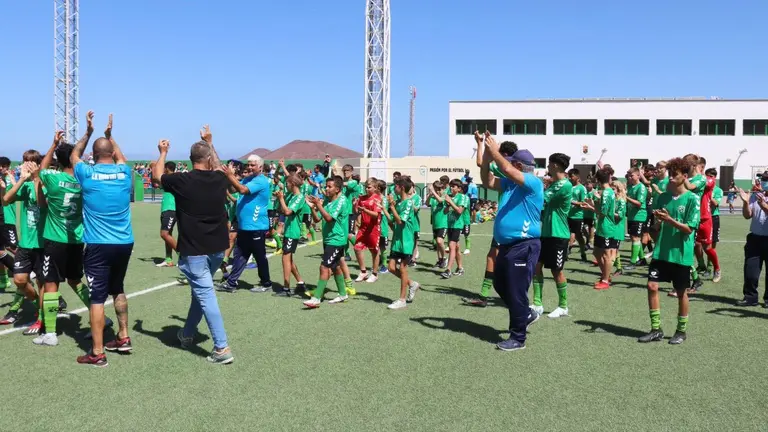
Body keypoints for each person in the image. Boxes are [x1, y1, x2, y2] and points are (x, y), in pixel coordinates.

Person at [152, 126, 234, 364]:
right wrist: (211, 141)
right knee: (199, 295)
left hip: (195, 250)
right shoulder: (219, 177)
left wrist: (163, 152)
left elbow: (157, 176)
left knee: (206, 295)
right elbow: (219, 166)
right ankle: (187, 333)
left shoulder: (181, 180)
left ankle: (222, 348)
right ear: (208, 159)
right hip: (217, 249)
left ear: (190, 160)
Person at [72, 113, 134, 367]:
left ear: (94, 155)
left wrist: (88, 132)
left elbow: (74, 154)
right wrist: (110, 136)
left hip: (99, 244)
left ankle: (97, 352)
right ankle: (123, 337)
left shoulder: (86, 173)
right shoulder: (124, 172)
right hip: (124, 242)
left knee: (97, 298)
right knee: (117, 288)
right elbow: (120, 156)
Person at [34, 123, 101, 347]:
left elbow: (40, 170)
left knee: (51, 283)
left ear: (58, 161)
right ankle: (101, 318)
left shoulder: (52, 179)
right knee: (75, 280)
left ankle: (51, 333)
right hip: (76, 240)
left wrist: (52, 145)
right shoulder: (84, 182)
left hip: (54, 240)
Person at [480, 135, 543, 351]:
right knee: (500, 284)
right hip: (508, 245)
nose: (507, 163)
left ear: (518, 165)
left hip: (524, 245)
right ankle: (525, 314)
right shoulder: (511, 185)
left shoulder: (533, 182)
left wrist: (495, 151)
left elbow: (506, 169)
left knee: (516, 291)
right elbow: (487, 181)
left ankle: (518, 338)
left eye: (511, 161)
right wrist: (488, 158)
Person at [639, 157, 699, 345]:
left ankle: (681, 331)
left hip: (680, 253)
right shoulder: (663, 197)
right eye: (670, 174)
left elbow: (689, 228)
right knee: (651, 286)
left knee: (681, 292)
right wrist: (656, 223)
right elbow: (656, 228)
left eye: (675, 175)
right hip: (661, 251)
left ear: (685, 176)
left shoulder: (692, 199)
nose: (671, 178)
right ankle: (656, 329)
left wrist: (669, 220)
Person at [218, 155, 273, 293]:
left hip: (256, 227)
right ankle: (231, 283)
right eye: (248, 164)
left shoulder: (261, 181)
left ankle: (266, 283)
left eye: (253, 165)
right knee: (240, 255)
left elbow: (242, 190)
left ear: (260, 167)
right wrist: (228, 177)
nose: (249, 167)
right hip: (245, 226)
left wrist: (230, 175)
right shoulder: (249, 179)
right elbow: (234, 189)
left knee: (260, 256)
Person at [1, 154, 44, 327]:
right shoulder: (23, 185)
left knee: (46, 282)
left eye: (30, 162)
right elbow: (5, 200)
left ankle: (42, 317)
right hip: (26, 243)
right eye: (24, 161)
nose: (25, 165)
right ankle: (36, 303)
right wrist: (20, 180)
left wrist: (35, 178)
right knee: (20, 279)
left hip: (43, 243)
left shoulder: (45, 183)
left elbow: (43, 202)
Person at [531, 153, 572, 319]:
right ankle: (537, 303)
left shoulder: (564, 184)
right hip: (546, 233)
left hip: (558, 234)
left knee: (556, 271)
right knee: (537, 266)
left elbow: (542, 199)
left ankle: (563, 306)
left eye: (549, 164)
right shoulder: (555, 183)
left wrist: (536, 184)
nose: (547, 167)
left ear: (555, 165)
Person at [303, 177, 350, 307]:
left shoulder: (341, 201)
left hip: (336, 239)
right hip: (329, 238)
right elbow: (318, 219)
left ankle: (317, 297)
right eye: (326, 186)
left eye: (329, 186)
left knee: (324, 266)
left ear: (337, 189)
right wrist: (312, 207)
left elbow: (329, 218)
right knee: (335, 267)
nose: (326, 189)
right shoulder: (329, 202)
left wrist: (318, 204)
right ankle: (342, 294)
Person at [386, 177, 420, 309]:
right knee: (391, 268)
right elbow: (394, 223)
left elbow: (400, 221)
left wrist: (392, 207)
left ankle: (402, 299)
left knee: (403, 268)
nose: (394, 188)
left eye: (396, 186)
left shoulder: (408, 203)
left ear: (401, 187)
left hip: (406, 241)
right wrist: (385, 209)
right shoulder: (399, 203)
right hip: (397, 240)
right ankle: (412, 283)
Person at [736, 172, 768, 307]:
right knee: (751, 271)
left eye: (766, 179)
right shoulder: (756, 196)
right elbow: (747, 215)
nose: (763, 181)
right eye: (763, 179)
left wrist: (765, 207)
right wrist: (745, 203)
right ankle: (750, 297)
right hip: (755, 239)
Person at [583, 169, 619, 290]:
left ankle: (605, 279)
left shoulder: (607, 192)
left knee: (606, 254)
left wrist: (591, 205)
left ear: (597, 180)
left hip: (606, 227)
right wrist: (595, 202)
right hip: (601, 227)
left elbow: (602, 213)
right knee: (597, 252)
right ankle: (605, 276)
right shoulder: (605, 192)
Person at [275, 174, 307, 296]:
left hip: (293, 232)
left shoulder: (299, 197)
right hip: (288, 231)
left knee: (285, 258)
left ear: (292, 184)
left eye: (287, 183)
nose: (286, 185)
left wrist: (282, 199)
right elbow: (281, 210)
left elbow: (288, 211)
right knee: (289, 260)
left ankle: (286, 288)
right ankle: (300, 283)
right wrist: (280, 198)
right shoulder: (291, 196)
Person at [353, 178, 383, 283]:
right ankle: (363, 272)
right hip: (363, 227)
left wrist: (365, 210)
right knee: (357, 248)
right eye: (366, 187)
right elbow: (357, 212)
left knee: (374, 251)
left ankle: (374, 273)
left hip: (373, 228)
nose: (367, 189)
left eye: (369, 187)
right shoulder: (362, 198)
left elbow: (376, 215)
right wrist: (354, 206)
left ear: (375, 188)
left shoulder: (377, 198)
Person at [441, 179, 468, 279]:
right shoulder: (449, 197)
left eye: (454, 186)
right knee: (456, 247)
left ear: (459, 189)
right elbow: (444, 212)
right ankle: (460, 267)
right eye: (451, 186)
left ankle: (448, 270)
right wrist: (447, 205)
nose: (451, 188)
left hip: (458, 225)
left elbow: (460, 211)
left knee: (452, 245)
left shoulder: (463, 197)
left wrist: (450, 202)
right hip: (449, 225)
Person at [625, 167, 648, 270]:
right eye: (628, 176)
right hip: (631, 216)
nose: (630, 177)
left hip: (639, 216)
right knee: (633, 238)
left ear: (638, 176)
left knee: (635, 238)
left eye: (632, 175)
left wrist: (626, 198)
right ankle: (642, 259)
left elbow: (639, 203)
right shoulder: (630, 187)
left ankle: (632, 262)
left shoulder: (641, 187)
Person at [155, 161, 177, 267]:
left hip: (171, 210)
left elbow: (156, 179)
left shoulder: (172, 180)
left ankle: (183, 256)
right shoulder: (167, 180)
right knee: (168, 234)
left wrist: (153, 167)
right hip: (166, 209)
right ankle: (168, 259)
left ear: (167, 168)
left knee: (164, 234)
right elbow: (155, 183)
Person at [0, 157, 17, 290]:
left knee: (13, 247)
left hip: (7, 219)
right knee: (1, 251)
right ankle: (4, 279)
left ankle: (29, 269)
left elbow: (13, 194)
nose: (1, 168)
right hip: (1, 219)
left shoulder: (10, 179)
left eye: (4, 166)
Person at [567, 168, 588, 262]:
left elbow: (584, 203)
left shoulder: (581, 188)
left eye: (571, 176)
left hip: (577, 216)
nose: (570, 178)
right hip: (567, 215)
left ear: (577, 177)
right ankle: (566, 252)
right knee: (569, 234)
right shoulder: (568, 186)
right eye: (569, 176)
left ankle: (583, 253)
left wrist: (573, 202)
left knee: (577, 236)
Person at [427, 181, 448, 269]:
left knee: (440, 241)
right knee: (437, 244)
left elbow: (440, 200)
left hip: (443, 224)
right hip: (435, 224)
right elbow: (427, 203)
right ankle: (439, 260)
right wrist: (429, 194)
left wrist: (433, 191)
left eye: (439, 189)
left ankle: (444, 258)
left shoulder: (444, 196)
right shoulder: (433, 198)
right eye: (437, 189)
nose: (438, 191)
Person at [708, 169, 723, 277]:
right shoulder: (702, 188)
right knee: (699, 244)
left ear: (715, 178)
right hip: (703, 218)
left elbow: (716, 203)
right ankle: (703, 266)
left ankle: (712, 267)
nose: (709, 178)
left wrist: (709, 194)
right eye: (707, 176)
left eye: (711, 176)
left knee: (712, 245)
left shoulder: (718, 190)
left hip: (713, 218)